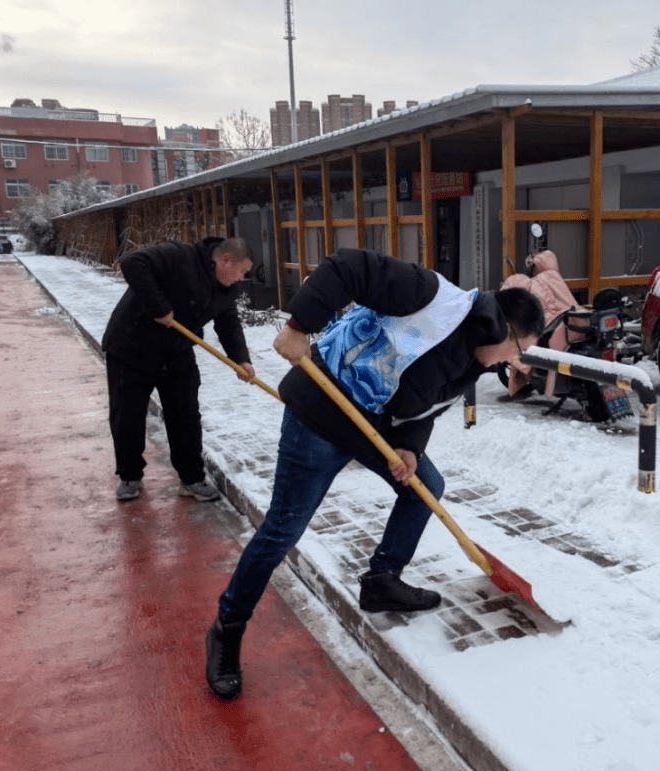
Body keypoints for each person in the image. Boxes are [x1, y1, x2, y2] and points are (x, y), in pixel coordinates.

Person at [205, 247, 544, 700]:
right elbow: (348, 267)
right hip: (322, 410)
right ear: (505, 329)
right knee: (284, 529)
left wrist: (408, 448)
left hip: (372, 425)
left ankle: (382, 580)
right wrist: (298, 326)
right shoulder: (431, 296)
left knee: (426, 486)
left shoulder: (471, 361)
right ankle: (228, 626)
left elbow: (423, 404)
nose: (512, 363)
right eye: (520, 352)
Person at [102, 236, 256, 502]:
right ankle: (130, 475)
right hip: (131, 346)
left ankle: (191, 478)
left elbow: (228, 322)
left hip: (176, 351)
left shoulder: (226, 287)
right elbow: (132, 262)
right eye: (242, 271)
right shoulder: (180, 256)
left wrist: (240, 359)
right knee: (127, 415)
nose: (241, 278)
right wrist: (158, 307)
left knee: (185, 415)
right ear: (226, 260)